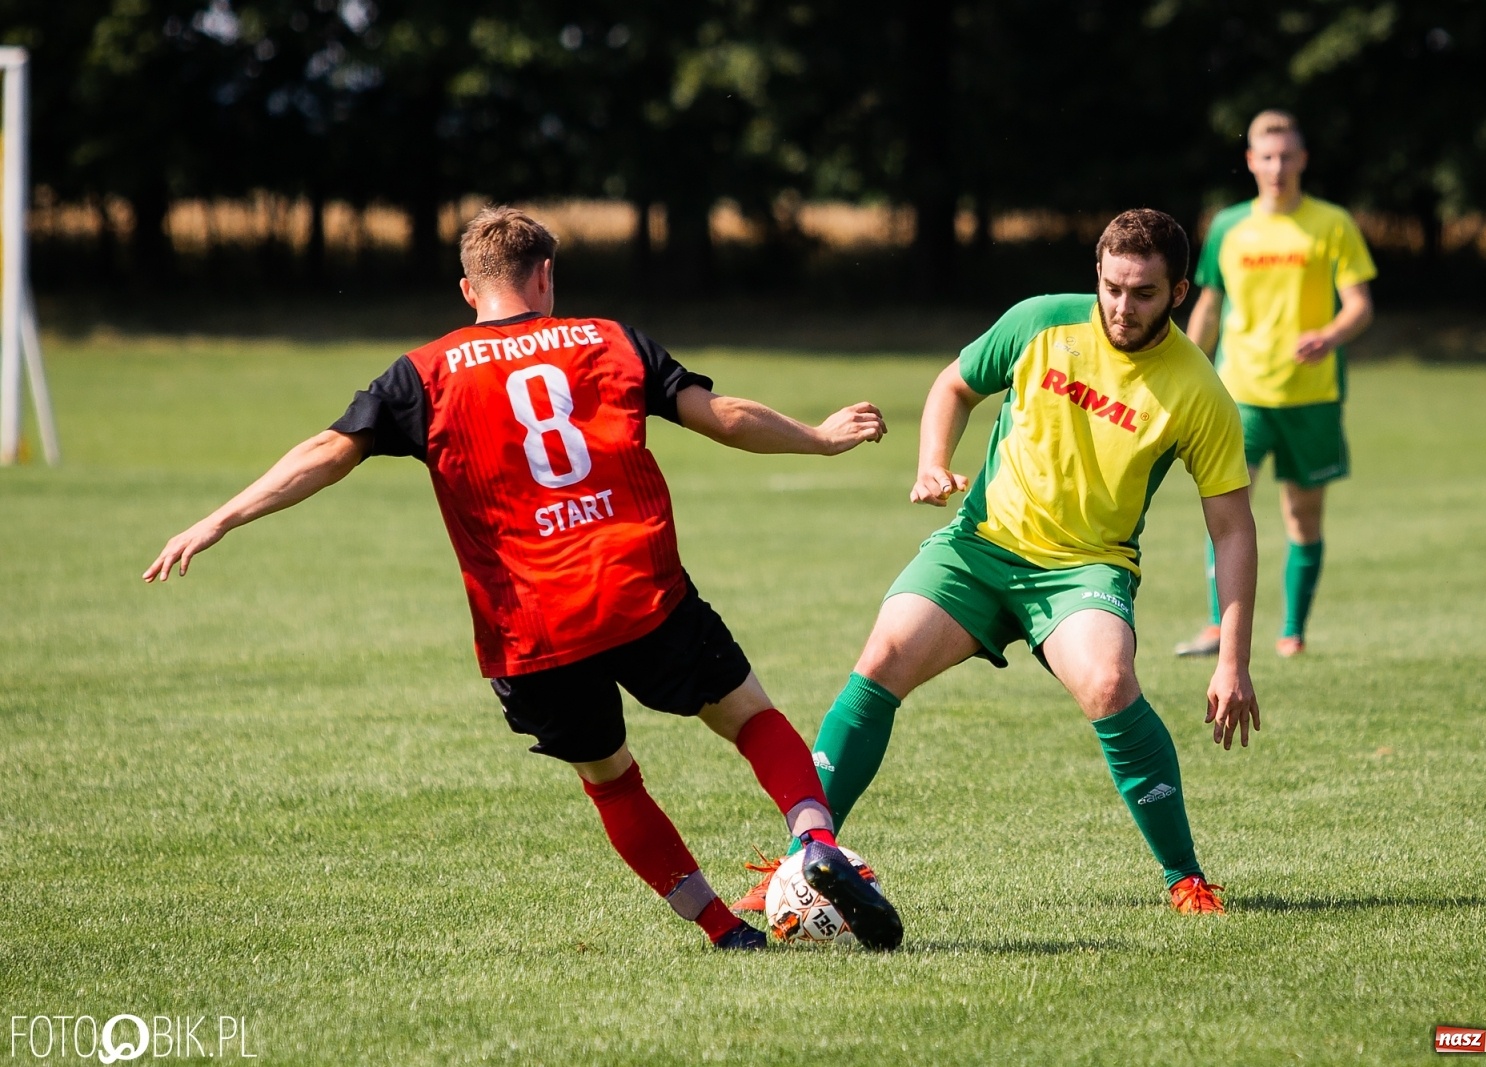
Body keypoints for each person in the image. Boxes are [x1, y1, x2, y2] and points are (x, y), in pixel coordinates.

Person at [144, 205, 903, 952]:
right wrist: (819, 437)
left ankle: (723, 928)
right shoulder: (607, 339)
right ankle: (815, 839)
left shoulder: (425, 372)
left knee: (611, 778)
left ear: (469, 290)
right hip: (638, 592)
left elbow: (327, 450)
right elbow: (723, 414)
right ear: (545, 276)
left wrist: (220, 518)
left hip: (531, 628)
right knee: (745, 714)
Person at [736, 209, 1259, 917]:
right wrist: (932, 464)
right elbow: (954, 385)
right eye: (1111, 287)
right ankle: (805, 858)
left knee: (1108, 681)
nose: (1122, 307)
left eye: (1143, 293)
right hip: (980, 548)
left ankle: (1185, 877)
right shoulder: (1040, 321)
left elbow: (1231, 529)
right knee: (883, 654)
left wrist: (1232, 659)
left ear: (1180, 293)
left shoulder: (1198, 391)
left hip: (1083, 570)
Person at [1174, 109, 1376, 659]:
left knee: (1301, 515)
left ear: (1302, 160)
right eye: (1267, 156)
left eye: (1288, 155)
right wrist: (1189, 369)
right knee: (1226, 508)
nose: (1278, 166)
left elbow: (1359, 305)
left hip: (1312, 396)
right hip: (1240, 393)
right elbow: (1209, 305)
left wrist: (1330, 336)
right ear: (1250, 162)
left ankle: (1293, 632)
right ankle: (1219, 629)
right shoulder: (1228, 226)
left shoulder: (1333, 223)